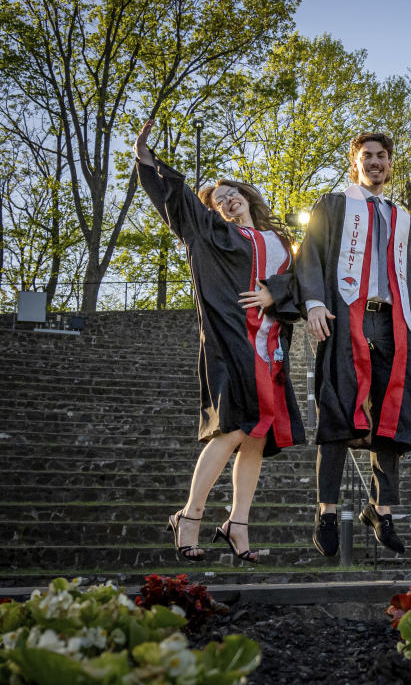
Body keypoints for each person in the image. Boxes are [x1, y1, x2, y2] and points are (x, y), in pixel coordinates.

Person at [133, 119, 305, 564]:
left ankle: (237, 525)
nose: (227, 200)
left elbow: (303, 286)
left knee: (255, 438)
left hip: (271, 350)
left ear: (248, 196)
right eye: (218, 199)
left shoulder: (282, 241)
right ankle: (189, 516)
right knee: (230, 430)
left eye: (233, 193)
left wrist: (275, 293)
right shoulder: (211, 234)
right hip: (231, 343)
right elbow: (180, 203)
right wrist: (146, 159)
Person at [296, 132, 411, 557]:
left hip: (392, 321)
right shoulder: (333, 205)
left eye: (382, 156)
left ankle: (381, 511)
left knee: (391, 415)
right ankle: (326, 511)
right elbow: (308, 255)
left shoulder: (402, 216)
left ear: (390, 163)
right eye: (366, 156)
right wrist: (313, 302)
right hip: (344, 315)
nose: (374, 162)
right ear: (355, 162)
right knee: (337, 410)